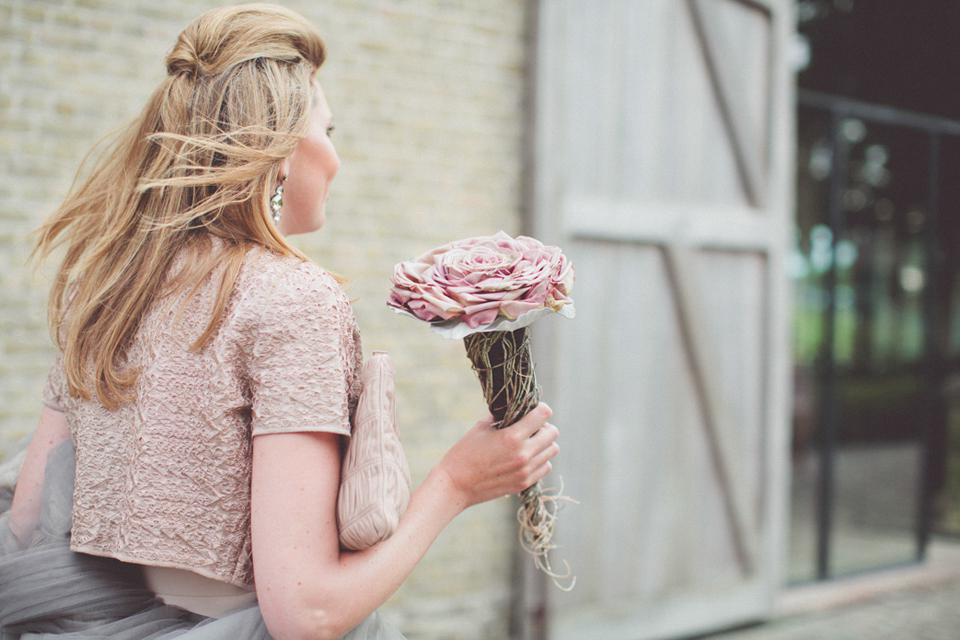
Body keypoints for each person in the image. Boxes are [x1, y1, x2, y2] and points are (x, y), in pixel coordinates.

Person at [0, 5, 559, 640]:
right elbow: (307, 613)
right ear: (283, 151)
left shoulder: (105, 290)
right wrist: (456, 484)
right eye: (331, 129)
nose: (338, 160)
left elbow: (27, 521)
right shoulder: (293, 299)